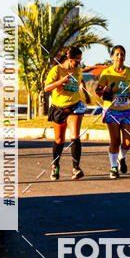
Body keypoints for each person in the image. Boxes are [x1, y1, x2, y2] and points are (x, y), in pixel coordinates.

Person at [44, 46, 91, 181]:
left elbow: (80, 80)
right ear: (69, 59)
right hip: (58, 108)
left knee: (75, 136)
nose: (78, 63)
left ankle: (76, 168)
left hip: (74, 106)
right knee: (59, 139)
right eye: (76, 61)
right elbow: (47, 87)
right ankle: (55, 165)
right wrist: (61, 81)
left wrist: (85, 92)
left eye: (80, 60)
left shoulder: (77, 70)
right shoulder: (57, 70)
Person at [95, 45, 130, 179]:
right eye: (117, 54)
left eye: (122, 54)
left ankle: (121, 157)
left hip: (127, 110)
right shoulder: (107, 73)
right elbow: (98, 92)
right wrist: (105, 91)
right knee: (115, 141)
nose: (120, 57)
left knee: (128, 141)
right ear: (112, 57)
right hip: (112, 110)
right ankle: (113, 167)